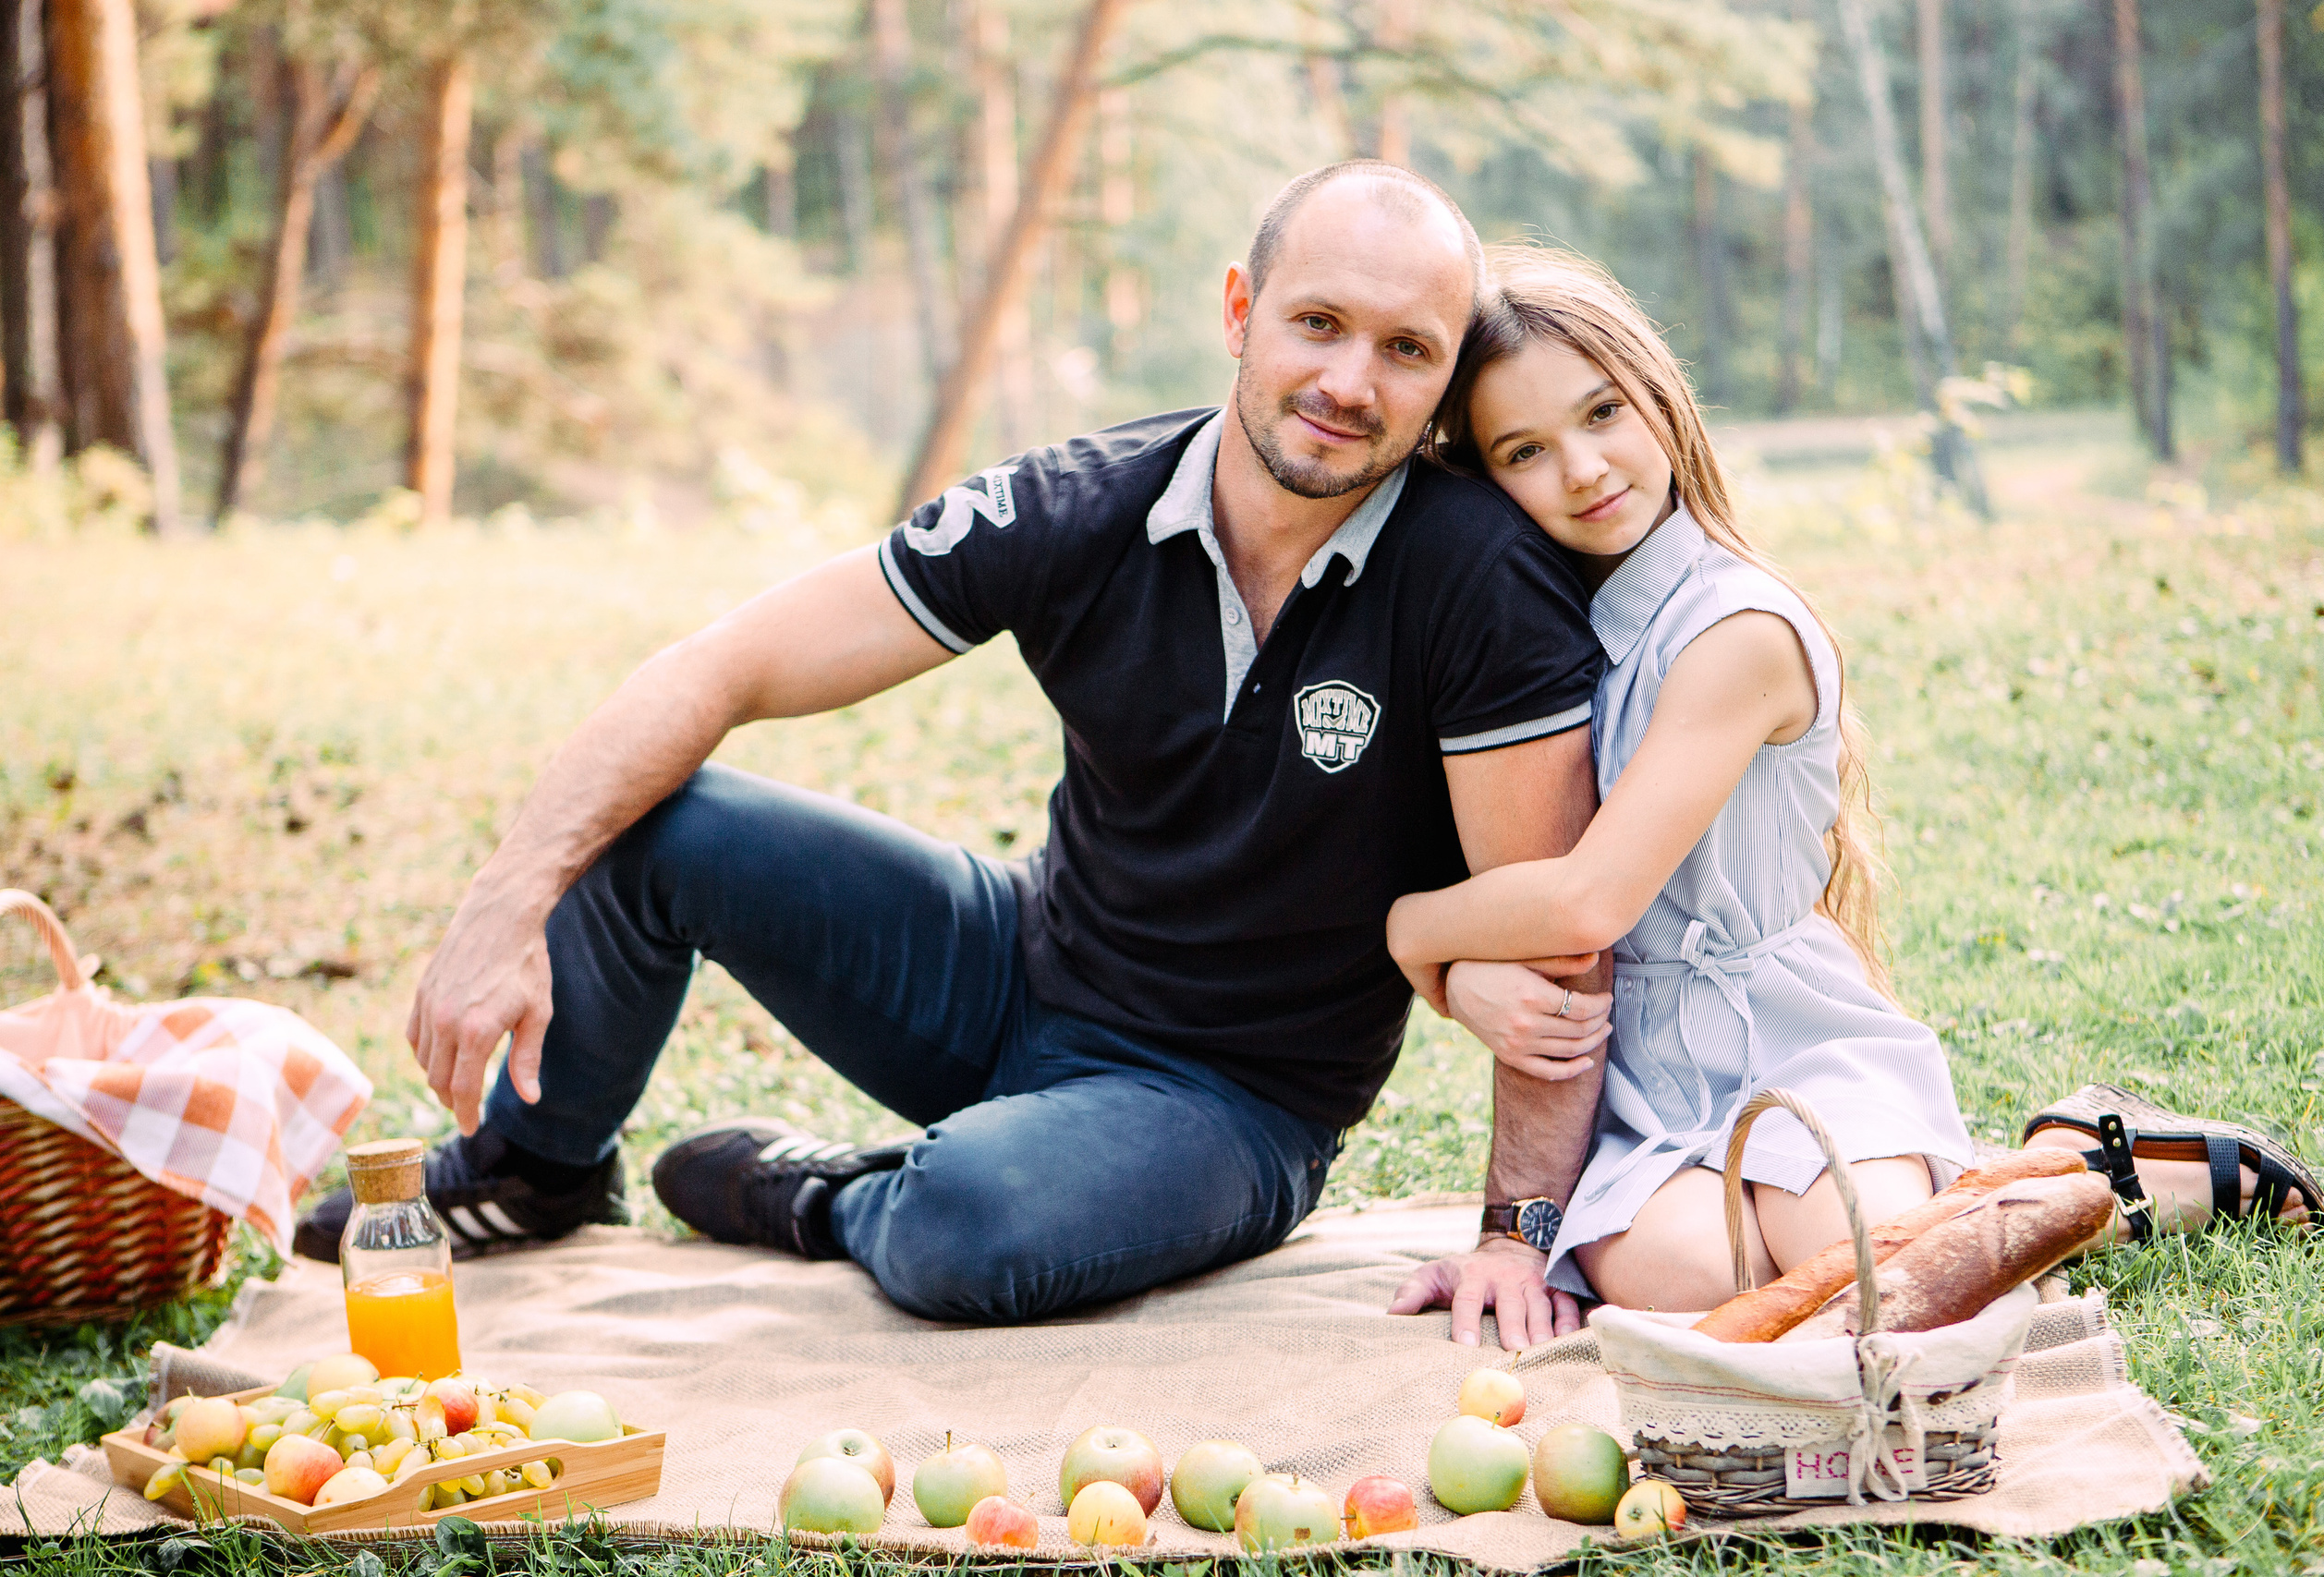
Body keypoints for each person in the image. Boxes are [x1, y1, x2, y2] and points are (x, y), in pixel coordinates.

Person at [293, 164, 1614, 1336]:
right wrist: (504, 897)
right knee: (655, 821)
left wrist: (1518, 1234)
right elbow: (720, 666)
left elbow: (1560, 938)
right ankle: (538, 1166)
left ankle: (828, 1192)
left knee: (969, 1223)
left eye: (1405, 349)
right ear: (1239, 311)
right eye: (1317, 323)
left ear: (1445, 377)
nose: (1348, 383)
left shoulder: (1480, 579)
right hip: (1017, 967)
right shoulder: (1078, 506)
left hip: (1233, 1103)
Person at [1382, 246, 2324, 1329]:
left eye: (1602, 413)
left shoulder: (1734, 631)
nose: (1584, 468)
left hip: (1796, 1041)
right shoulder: (1551, 638)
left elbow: (1589, 901)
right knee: (1689, 1285)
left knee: (1873, 1285)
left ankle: (2099, 1177)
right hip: (1650, 1087)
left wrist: (1416, 936)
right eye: (1525, 451)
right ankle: (1981, 1193)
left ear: (1658, 396)